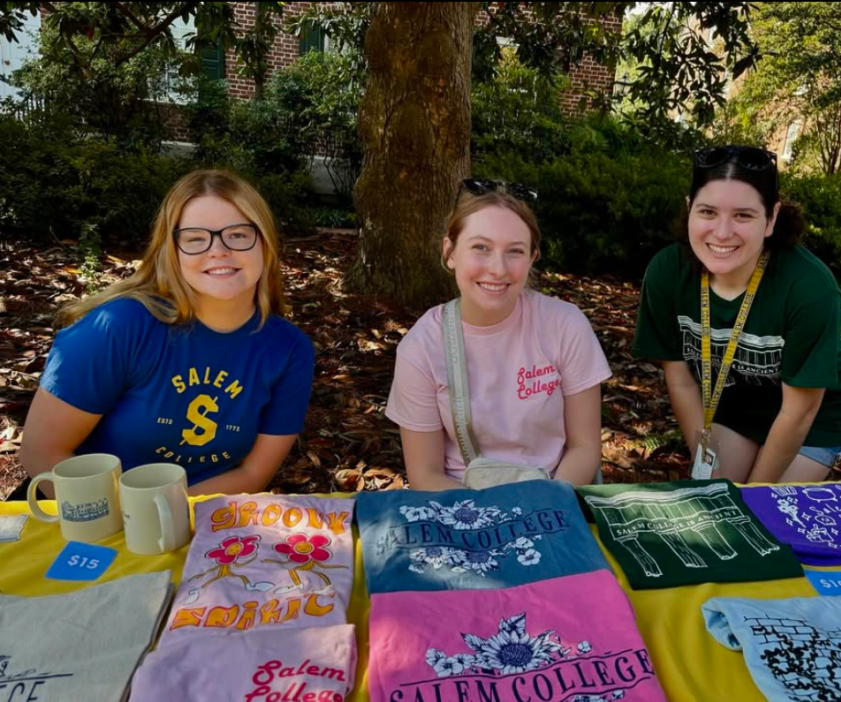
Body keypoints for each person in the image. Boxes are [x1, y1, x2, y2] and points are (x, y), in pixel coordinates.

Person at [19, 169, 315, 496]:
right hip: (85, 515)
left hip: (198, 521)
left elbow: (251, 474)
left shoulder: (289, 349)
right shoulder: (119, 327)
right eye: (194, 238)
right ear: (171, 253)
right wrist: (131, 527)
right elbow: (41, 453)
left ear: (266, 242)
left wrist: (167, 520)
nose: (218, 250)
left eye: (238, 234)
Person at [633, 145, 841, 483]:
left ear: (771, 218)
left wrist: (753, 496)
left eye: (743, 215)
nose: (722, 232)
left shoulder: (810, 288)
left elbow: (799, 412)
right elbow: (680, 380)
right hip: (733, 406)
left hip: (812, 417)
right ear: (689, 209)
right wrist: (705, 463)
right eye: (708, 212)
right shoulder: (667, 272)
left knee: (765, 513)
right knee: (714, 497)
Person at [386, 178, 611, 490]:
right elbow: (426, 474)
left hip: (553, 496)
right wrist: (491, 518)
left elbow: (585, 448)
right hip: (461, 503)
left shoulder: (566, 325)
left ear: (532, 257)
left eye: (514, 251)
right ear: (450, 252)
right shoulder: (421, 348)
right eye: (481, 247)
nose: (498, 268)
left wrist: (543, 507)